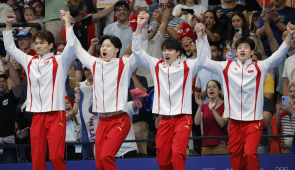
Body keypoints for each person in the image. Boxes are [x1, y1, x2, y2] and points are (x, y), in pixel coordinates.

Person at [196, 17, 295, 169]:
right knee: (235, 155)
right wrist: (201, 37)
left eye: (246, 47)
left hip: (254, 122)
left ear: (252, 51)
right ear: (235, 52)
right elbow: (203, 62)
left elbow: (278, 56)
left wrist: (289, 36)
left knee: (249, 153)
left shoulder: (261, 67)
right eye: (240, 48)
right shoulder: (226, 67)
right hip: (235, 122)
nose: (242, 50)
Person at [63, 6, 147, 168]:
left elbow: (139, 51)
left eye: (108, 46)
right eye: (102, 46)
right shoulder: (95, 63)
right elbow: (76, 47)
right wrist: (68, 23)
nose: (104, 48)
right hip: (102, 121)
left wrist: (141, 27)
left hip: (119, 120)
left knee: (107, 157)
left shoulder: (124, 63)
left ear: (116, 50)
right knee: (99, 162)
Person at [132, 8, 204, 169]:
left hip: (182, 118)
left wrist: (200, 37)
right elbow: (137, 51)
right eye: (164, 50)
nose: (166, 52)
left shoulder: (188, 66)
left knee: (178, 153)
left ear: (178, 53)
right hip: (164, 119)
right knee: (163, 160)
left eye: (170, 50)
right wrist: (139, 27)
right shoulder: (156, 65)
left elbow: (204, 59)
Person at [4, 11, 76, 170]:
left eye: (42, 43)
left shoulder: (60, 60)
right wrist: (9, 25)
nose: (38, 46)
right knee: (37, 158)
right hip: (36, 116)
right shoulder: (29, 60)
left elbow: (71, 45)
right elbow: (9, 46)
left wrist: (67, 23)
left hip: (56, 113)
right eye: (36, 43)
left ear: (51, 45)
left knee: (56, 156)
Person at [194, 80, 229, 155]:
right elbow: (197, 122)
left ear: (219, 91)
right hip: (206, 146)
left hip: (221, 146)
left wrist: (213, 109)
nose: (211, 89)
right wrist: (199, 106)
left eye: (214, 87)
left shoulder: (226, 106)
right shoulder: (203, 106)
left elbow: (222, 123)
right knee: (206, 167)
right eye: (209, 87)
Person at [0, 53, 21, 164]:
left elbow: (17, 84)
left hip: (8, 145)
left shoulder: (11, 97)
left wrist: (9, 63)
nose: (1, 83)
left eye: (3, 80)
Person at [271, 82, 295, 153]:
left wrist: (292, 111)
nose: (292, 93)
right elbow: (276, 128)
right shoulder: (284, 109)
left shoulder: (293, 110)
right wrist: (278, 114)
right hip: (284, 148)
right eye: (290, 91)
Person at [65, 88, 82, 160]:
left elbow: (76, 111)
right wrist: (78, 94)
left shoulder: (77, 116)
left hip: (81, 145)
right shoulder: (62, 118)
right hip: (69, 146)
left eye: (68, 103)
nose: (66, 105)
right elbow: (74, 111)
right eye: (63, 104)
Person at [282, 28, 295, 96]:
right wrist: (285, 102)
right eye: (292, 38)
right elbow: (286, 84)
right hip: (291, 103)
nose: (293, 40)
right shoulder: (288, 61)